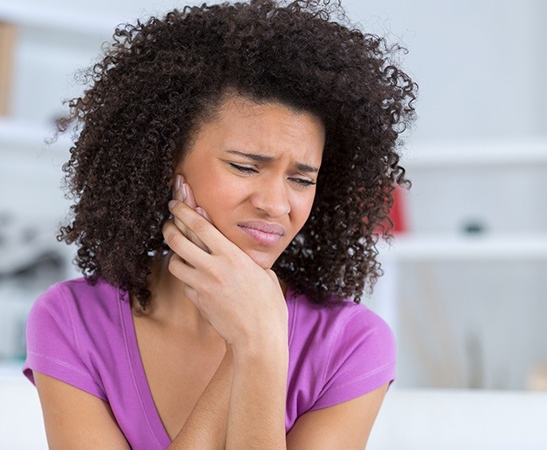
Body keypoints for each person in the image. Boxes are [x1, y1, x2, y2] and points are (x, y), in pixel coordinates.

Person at [23, 0, 416, 448]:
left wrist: (261, 348)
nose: (275, 204)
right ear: (167, 163)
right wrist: (251, 342)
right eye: (246, 167)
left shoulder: (350, 344)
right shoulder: (74, 321)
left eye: (301, 178)